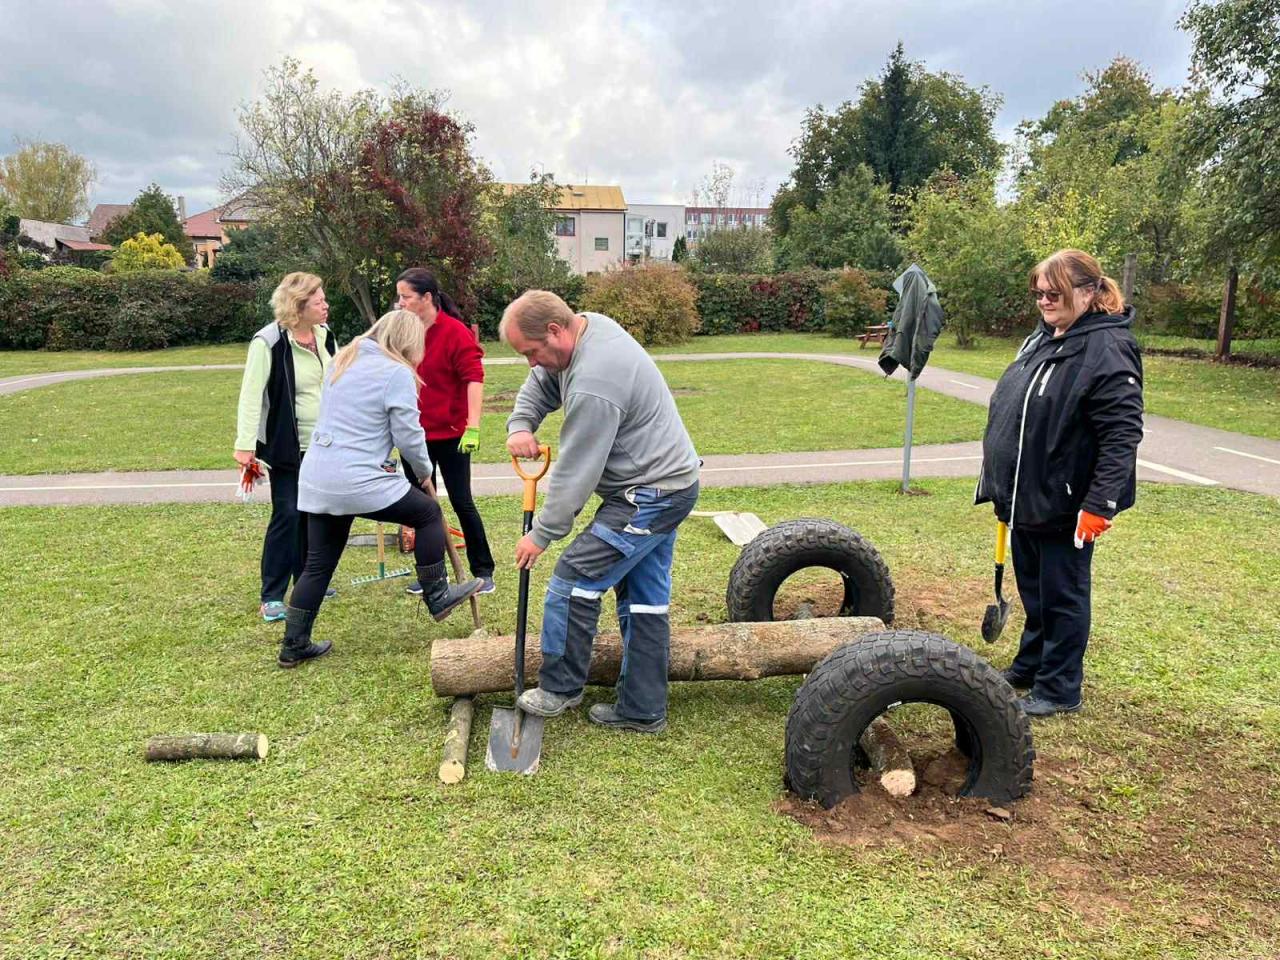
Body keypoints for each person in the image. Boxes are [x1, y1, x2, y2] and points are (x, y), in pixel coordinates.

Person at [500, 290, 701, 733]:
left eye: (531, 352)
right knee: (644, 599)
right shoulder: (586, 327)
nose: (531, 363)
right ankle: (642, 708)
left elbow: (577, 468)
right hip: (666, 484)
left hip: (650, 494)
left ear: (555, 330)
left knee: (574, 578)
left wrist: (542, 534)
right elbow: (543, 380)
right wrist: (521, 423)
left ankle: (560, 687)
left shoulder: (596, 379)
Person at [975, 249, 1144, 718]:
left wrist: (1100, 504)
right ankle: (1031, 665)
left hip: (1067, 504)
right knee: (1035, 591)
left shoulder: (1107, 347)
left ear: (1089, 293)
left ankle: (1059, 687)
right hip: (1026, 496)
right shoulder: (1045, 337)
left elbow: (1122, 434)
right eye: (1039, 293)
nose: (1045, 301)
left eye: (1056, 293)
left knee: (1062, 596)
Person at [276, 309, 484, 669]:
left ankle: (294, 645)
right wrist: (423, 472)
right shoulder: (395, 372)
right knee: (428, 513)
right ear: (408, 342)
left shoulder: (343, 360)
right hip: (356, 477)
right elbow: (408, 434)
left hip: (319, 476)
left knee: (318, 564)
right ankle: (437, 595)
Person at [234, 272, 338, 623]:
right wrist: (245, 445)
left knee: (314, 514)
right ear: (298, 305)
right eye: (319, 301)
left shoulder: (325, 336)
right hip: (286, 444)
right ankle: (272, 595)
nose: (325, 305)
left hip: (323, 444)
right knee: (288, 514)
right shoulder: (268, 342)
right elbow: (251, 396)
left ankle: (306, 582)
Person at [394, 267, 496, 596]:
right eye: (399, 297)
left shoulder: (454, 332)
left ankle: (483, 571)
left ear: (427, 297)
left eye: (406, 297)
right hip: (414, 436)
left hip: (452, 435)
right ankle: (431, 576)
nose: (400, 303)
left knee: (461, 501)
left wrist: (473, 427)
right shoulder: (404, 333)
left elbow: (474, 378)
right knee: (422, 508)